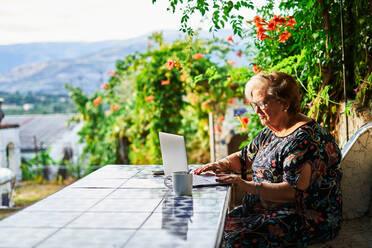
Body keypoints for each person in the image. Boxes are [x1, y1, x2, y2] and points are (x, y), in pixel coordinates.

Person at [194, 72, 342, 247]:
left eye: (262, 103)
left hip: (303, 218)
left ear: (285, 103)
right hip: (264, 212)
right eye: (253, 104)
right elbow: (244, 158)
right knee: (211, 229)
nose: (256, 111)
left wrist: (243, 184)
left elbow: (292, 192)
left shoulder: (304, 139)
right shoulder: (272, 130)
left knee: (231, 241)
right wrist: (221, 164)